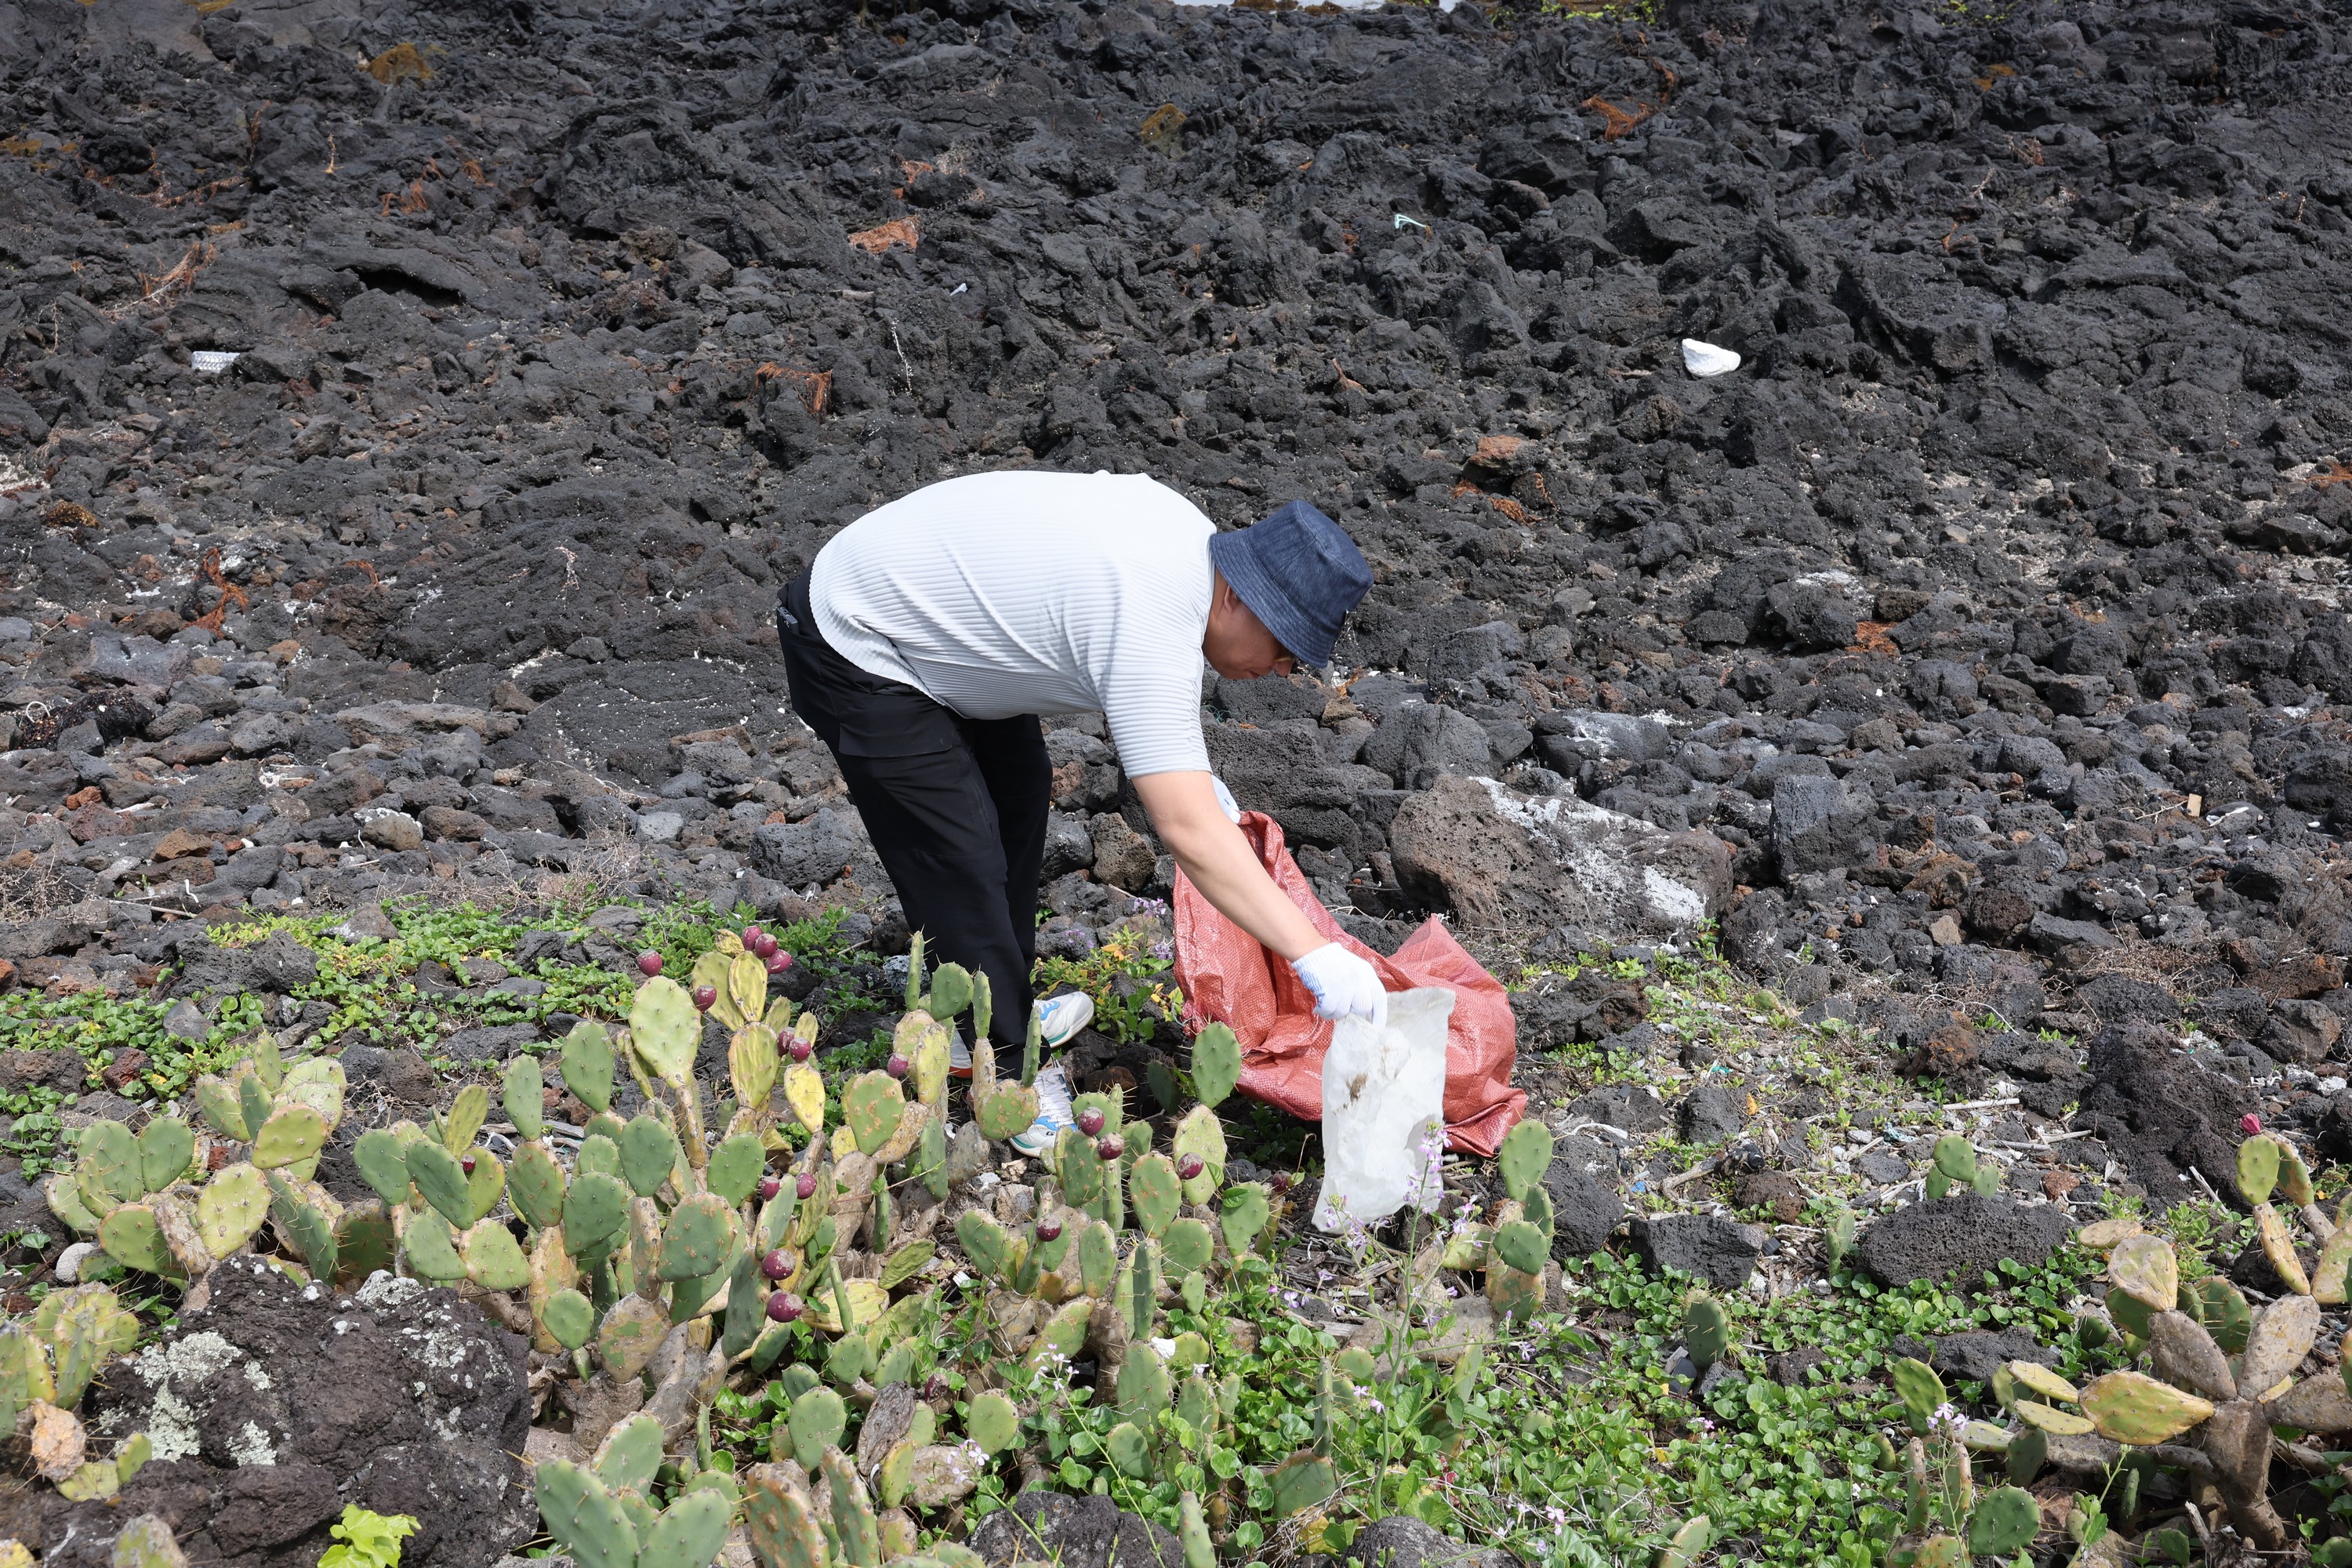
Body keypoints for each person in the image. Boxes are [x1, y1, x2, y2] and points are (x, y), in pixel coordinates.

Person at [775, 468, 1388, 1153]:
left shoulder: (1187, 545)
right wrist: (1314, 954)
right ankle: (1006, 1072)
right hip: (853, 634)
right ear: (1239, 600)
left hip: (932, 633)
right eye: (1285, 647)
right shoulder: (1154, 611)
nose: (1282, 672)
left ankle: (984, 1012)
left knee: (1016, 791)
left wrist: (1205, 787)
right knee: (960, 854)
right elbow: (1183, 827)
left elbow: (1170, 748)